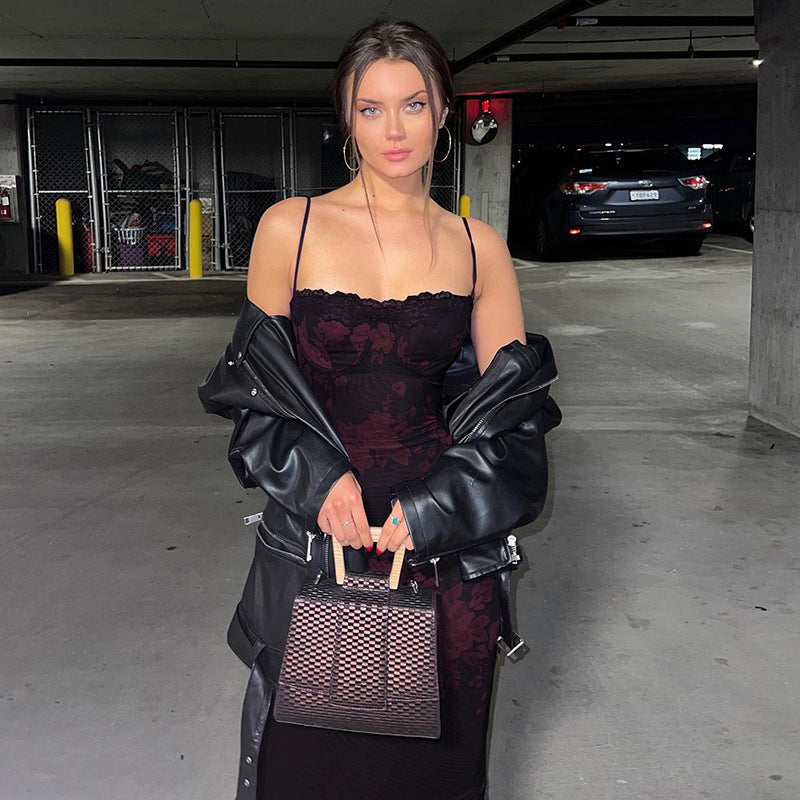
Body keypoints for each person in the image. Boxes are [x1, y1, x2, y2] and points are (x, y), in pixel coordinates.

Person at [199, 18, 561, 800]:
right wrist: (317, 478)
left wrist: (436, 509)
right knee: (304, 768)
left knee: (433, 773)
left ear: (444, 113)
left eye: (412, 104)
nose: (393, 130)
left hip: (442, 547)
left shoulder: (478, 247)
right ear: (347, 120)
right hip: (321, 541)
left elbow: (513, 419)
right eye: (371, 108)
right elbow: (254, 392)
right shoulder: (290, 228)